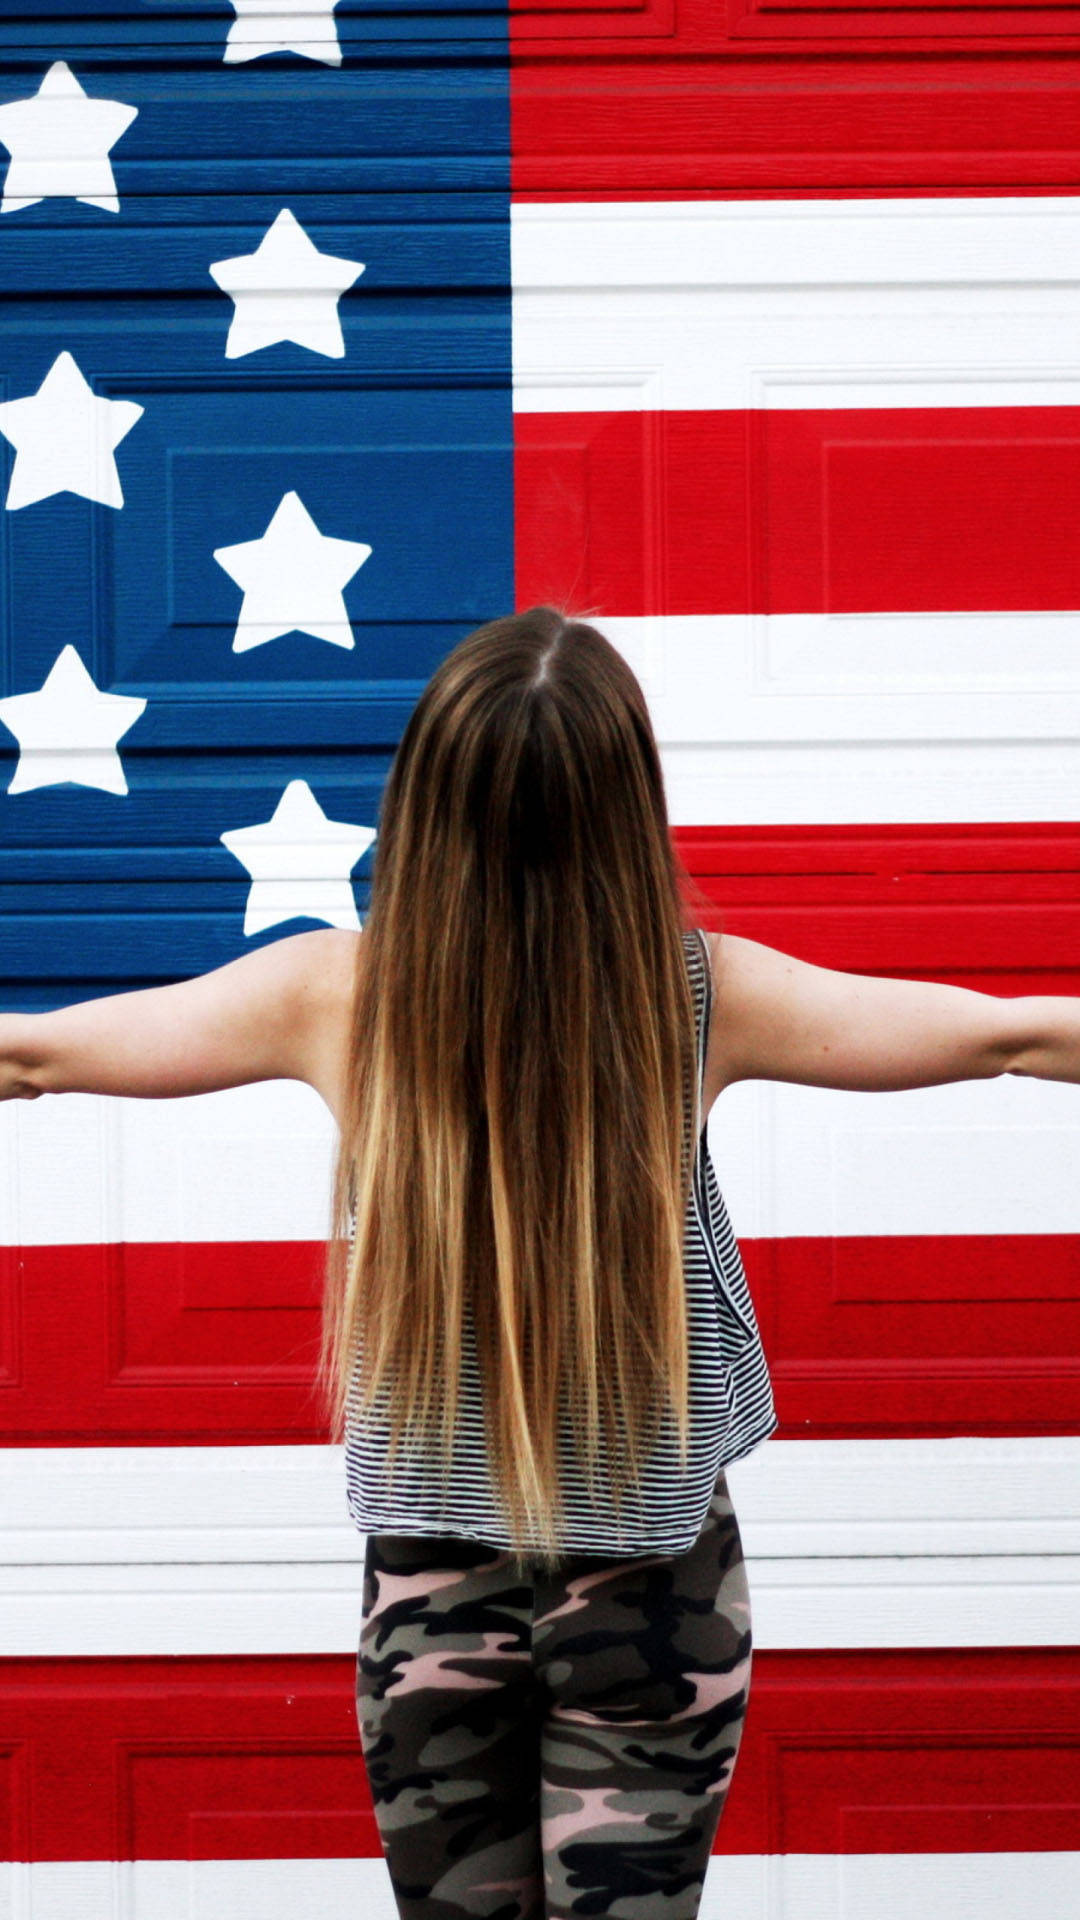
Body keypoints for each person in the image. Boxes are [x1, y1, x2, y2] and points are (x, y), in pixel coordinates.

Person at [2, 603, 1077, 1920]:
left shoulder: (341, 996)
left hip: (441, 1589)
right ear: (629, 812)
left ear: (426, 806)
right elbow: (1006, 1037)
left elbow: (31, 1055)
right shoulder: (696, 993)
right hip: (653, 1590)